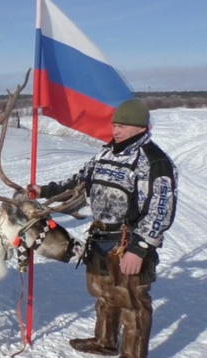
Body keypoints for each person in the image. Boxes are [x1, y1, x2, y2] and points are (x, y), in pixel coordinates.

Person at [27, 99, 177, 358]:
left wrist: (139, 249)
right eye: (114, 125)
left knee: (132, 302)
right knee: (104, 294)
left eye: (122, 126)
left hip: (127, 242)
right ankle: (105, 341)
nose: (115, 130)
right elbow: (78, 182)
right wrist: (43, 191)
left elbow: (160, 210)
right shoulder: (106, 154)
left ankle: (132, 354)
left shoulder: (154, 161)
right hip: (100, 236)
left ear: (140, 128)